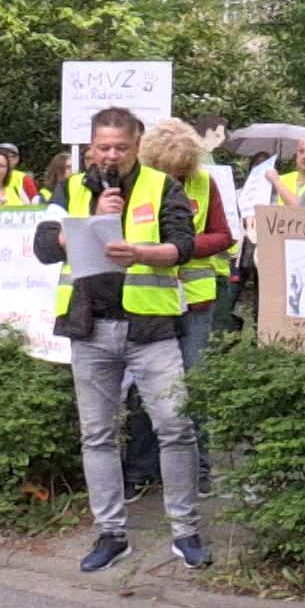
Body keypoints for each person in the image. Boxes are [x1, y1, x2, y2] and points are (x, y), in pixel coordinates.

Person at [32, 107, 210, 572]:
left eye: (121, 147)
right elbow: (44, 246)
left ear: (137, 146)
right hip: (89, 326)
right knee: (98, 435)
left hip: (151, 328)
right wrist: (90, 222)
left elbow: (183, 246)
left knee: (175, 426)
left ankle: (185, 531)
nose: (111, 156)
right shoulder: (70, 189)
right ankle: (111, 534)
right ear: (90, 148)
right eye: (103, 147)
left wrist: (141, 253)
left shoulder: (162, 185)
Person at [123, 118, 235, 497]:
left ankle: (198, 469)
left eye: (183, 172)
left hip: (196, 300)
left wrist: (181, 247)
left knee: (192, 384)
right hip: (150, 299)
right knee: (144, 386)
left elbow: (224, 235)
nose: (178, 178)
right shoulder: (135, 185)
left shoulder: (204, 183)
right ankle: (140, 470)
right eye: (171, 172)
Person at [267, 132, 305, 206]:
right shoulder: (283, 178)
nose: (304, 156)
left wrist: (276, 181)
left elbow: (299, 207)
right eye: (301, 151)